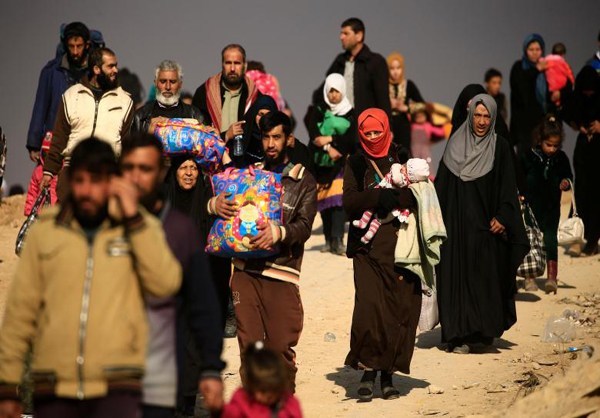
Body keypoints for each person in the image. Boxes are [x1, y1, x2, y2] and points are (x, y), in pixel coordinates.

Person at [0, 138, 181, 418]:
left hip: (117, 387)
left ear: (112, 181)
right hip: (54, 386)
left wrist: (133, 217)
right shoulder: (46, 233)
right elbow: (19, 313)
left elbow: (166, 283)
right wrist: (8, 385)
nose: (86, 191)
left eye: (96, 181)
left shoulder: (136, 227)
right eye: (80, 180)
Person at [118, 133, 226, 417]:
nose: (189, 173)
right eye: (184, 168)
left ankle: (187, 403)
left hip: (193, 288)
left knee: (190, 347)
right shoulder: (161, 205)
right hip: (160, 294)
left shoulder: (207, 201)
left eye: (194, 168)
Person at [222, 111, 316, 391]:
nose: (271, 143)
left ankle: (284, 401)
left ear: (289, 140)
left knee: (279, 346)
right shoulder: (250, 176)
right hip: (245, 272)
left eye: (277, 137)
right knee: (248, 346)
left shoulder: (303, 181)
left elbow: (305, 226)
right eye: (266, 137)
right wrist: (218, 205)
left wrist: (279, 233)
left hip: (282, 273)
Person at [435, 94, 529, 354]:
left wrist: (503, 217)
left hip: (485, 229)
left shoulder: (500, 148)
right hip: (455, 229)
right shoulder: (454, 144)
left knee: (481, 280)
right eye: (477, 115)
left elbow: (508, 189)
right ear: (470, 116)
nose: (482, 121)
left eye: (487, 116)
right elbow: (441, 188)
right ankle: (456, 335)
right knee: (455, 279)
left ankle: (479, 334)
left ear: (494, 118)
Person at [343, 108, 423, 401]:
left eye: (378, 132)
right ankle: (367, 370)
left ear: (386, 130)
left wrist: (397, 197)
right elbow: (349, 201)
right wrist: (378, 196)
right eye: (368, 133)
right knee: (368, 308)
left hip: (398, 245)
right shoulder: (355, 161)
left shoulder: (402, 156)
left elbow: (418, 193)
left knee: (396, 309)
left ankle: (387, 375)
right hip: (365, 247)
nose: (374, 138)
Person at [41, 47, 134, 201]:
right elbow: (60, 136)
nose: (116, 70)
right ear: (96, 69)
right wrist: (49, 171)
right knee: (66, 223)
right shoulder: (72, 95)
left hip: (107, 174)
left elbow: (126, 143)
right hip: (73, 172)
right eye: (110, 66)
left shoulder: (125, 101)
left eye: (116, 65)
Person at [520, 115, 572, 294]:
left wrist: (565, 181)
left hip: (551, 207)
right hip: (531, 206)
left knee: (550, 240)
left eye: (555, 146)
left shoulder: (561, 158)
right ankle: (529, 277)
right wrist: (520, 194)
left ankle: (552, 278)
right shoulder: (528, 156)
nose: (551, 149)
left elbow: (568, 175)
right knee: (530, 240)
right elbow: (518, 176)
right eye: (548, 145)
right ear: (540, 140)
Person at [26, 22, 91, 162]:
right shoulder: (51, 71)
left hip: (86, 142)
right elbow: (40, 107)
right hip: (55, 141)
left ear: (87, 45)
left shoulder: (94, 72)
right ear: (65, 45)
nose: (75, 51)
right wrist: (34, 144)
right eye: (71, 46)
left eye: (79, 46)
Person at [308, 73, 356, 255]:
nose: (333, 95)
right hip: (319, 164)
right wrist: (329, 147)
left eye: (336, 91)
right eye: (330, 91)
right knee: (325, 205)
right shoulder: (319, 110)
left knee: (337, 203)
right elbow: (314, 133)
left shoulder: (350, 113)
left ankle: (338, 240)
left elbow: (352, 139)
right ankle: (328, 240)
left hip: (340, 165)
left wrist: (331, 138)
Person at [319, 18, 391, 117]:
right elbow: (323, 91)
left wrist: (388, 128)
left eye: (346, 33)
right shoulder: (340, 61)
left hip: (366, 124)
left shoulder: (375, 62)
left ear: (359, 36)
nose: (341, 37)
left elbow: (382, 99)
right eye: (341, 33)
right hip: (341, 124)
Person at [192, 44, 264, 142]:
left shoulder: (256, 96)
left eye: (237, 63)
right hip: (212, 155)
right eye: (228, 63)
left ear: (245, 65)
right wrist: (225, 136)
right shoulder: (205, 93)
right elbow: (196, 133)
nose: (232, 68)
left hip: (247, 156)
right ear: (222, 64)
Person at [566, 65, 600, 256]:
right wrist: (580, 126)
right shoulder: (577, 98)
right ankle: (579, 235)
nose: (588, 95)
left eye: (591, 91)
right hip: (584, 152)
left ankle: (593, 239)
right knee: (581, 192)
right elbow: (568, 113)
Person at [222, 342, 302, 418]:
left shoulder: (289, 405)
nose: (268, 395)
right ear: (250, 386)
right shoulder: (240, 404)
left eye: (274, 389)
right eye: (263, 390)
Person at [131, 60, 203, 134]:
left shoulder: (194, 115)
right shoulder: (140, 116)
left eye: (172, 82)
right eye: (163, 81)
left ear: (180, 84)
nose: (168, 87)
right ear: (155, 83)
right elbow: (133, 144)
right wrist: (149, 135)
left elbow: (205, 143)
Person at [387, 52, 425, 154]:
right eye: (392, 68)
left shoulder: (408, 85)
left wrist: (406, 108)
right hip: (387, 124)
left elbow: (422, 105)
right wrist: (388, 104)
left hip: (403, 124)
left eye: (398, 68)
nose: (395, 72)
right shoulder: (382, 86)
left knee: (404, 152)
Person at [24, 133, 58, 215]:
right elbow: (32, 191)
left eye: (50, 154)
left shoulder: (62, 171)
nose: (47, 156)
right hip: (39, 213)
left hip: (56, 212)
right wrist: (29, 210)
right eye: (45, 153)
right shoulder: (38, 171)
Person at [409, 103, 446, 172]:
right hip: (414, 148)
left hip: (425, 148)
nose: (420, 118)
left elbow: (440, 132)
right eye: (418, 116)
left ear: (426, 116)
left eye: (422, 116)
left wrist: (444, 124)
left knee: (427, 161)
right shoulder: (412, 126)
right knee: (415, 162)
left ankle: (429, 176)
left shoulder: (427, 125)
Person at [540, 43, 575, 107]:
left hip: (547, 97)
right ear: (563, 54)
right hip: (562, 99)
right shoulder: (564, 64)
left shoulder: (544, 63)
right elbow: (570, 79)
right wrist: (560, 93)